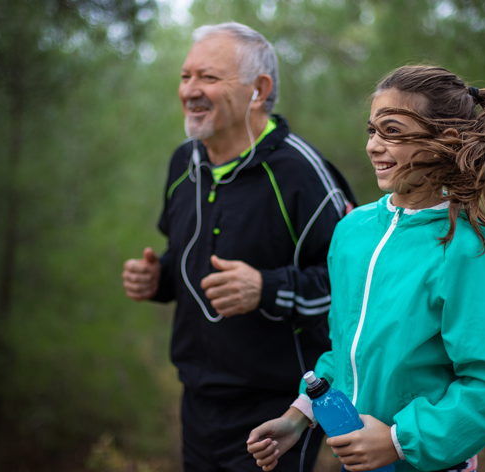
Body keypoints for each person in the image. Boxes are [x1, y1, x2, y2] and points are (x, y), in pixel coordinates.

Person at [247, 65, 485, 472]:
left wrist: (396, 440)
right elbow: (346, 351)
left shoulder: (467, 249)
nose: (373, 145)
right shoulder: (352, 232)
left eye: (392, 131)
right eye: (372, 130)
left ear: (445, 141)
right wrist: (299, 417)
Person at [121, 23, 356, 472]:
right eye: (185, 76)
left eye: (208, 78)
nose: (190, 90)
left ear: (258, 89)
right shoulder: (183, 162)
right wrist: (159, 278)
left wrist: (267, 288)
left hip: (280, 409)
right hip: (197, 402)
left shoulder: (301, 173)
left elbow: (356, 288)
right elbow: (186, 257)